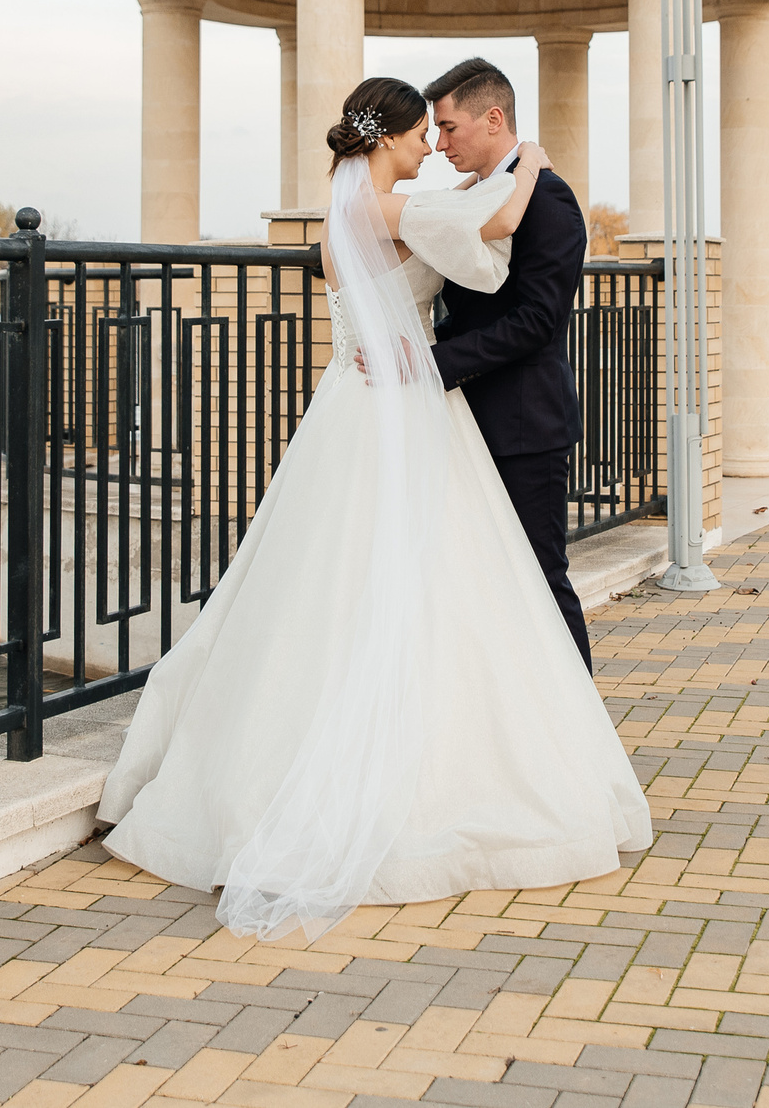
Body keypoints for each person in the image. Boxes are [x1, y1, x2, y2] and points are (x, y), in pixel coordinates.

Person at [95, 76, 652, 940]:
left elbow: (490, 260)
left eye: (447, 127)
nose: (434, 143)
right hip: (402, 401)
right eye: (423, 132)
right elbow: (494, 231)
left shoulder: (349, 211)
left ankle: (548, 746)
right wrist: (533, 163)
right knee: (447, 581)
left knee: (353, 580)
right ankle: (529, 763)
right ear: (387, 138)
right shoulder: (396, 209)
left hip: (365, 400)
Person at [421, 58, 593, 667]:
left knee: (540, 578)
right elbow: (471, 309)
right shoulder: (481, 195)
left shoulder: (547, 198)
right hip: (466, 420)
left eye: (449, 129)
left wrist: (434, 363)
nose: (440, 145)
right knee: (483, 583)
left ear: (493, 119)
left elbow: (537, 321)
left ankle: (582, 732)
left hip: (523, 425)